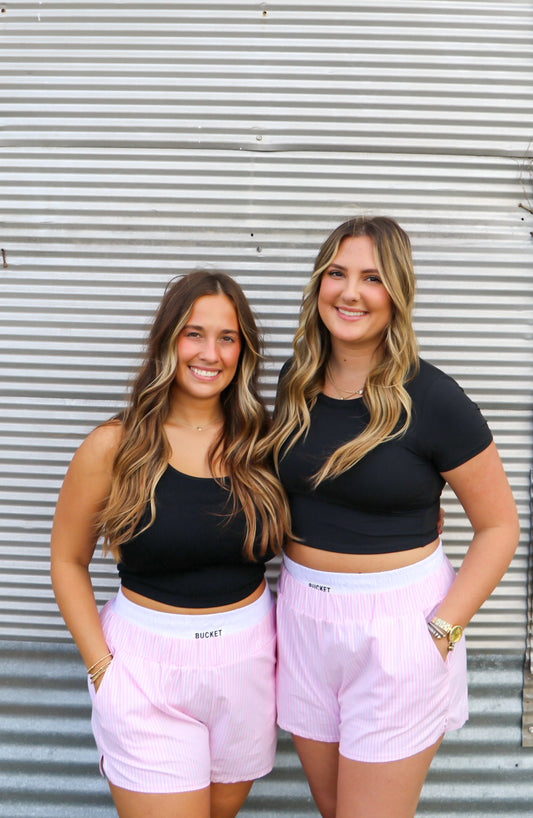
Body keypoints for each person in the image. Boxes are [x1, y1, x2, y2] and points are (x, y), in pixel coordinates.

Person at [267, 216, 520, 818]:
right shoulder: (294, 384)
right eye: (337, 273)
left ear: (397, 293)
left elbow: (499, 526)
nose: (350, 292)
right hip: (303, 617)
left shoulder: (433, 399)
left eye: (372, 278)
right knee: (333, 810)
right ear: (318, 284)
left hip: (399, 627)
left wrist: (443, 631)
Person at [50, 271, 292, 818]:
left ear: (244, 350)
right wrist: (102, 670)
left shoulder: (266, 444)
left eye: (227, 337)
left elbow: (335, 508)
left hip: (247, 665)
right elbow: (66, 561)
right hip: (143, 671)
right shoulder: (116, 445)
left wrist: (417, 511)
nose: (210, 353)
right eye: (193, 333)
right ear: (167, 341)